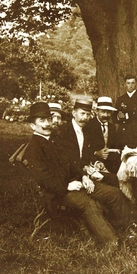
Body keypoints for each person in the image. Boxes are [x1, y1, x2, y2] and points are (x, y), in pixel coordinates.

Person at [24, 102, 125, 248]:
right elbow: (44, 179)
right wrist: (67, 186)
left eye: (48, 120)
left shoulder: (53, 140)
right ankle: (111, 242)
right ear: (32, 126)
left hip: (75, 182)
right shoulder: (34, 148)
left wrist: (83, 176)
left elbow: (70, 163)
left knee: (113, 193)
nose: (47, 124)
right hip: (57, 192)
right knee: (89, 204)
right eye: (42, 121)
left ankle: (124, 228)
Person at [55, 99, 118, 188]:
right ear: (74, 113)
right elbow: (70, 159)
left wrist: (96, 162)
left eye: (88, 115)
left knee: (113, 179)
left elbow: (87, 153)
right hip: (71, 175)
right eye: (82, 113)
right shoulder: (64, 131)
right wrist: (84, 173)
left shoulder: (87, 130)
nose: (85, 118)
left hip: (84, 169)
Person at [84, 96, 122, 175]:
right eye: (103, 112)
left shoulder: (112, 127)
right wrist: (96, 153)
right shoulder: (89, 126)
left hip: (111, 163)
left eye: (108, 112)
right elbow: (84, 148)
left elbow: (116, 145)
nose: (106, 115)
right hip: (93, 163)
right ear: (97, 111)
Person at [114, 74, 137, 148]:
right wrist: (118, 116)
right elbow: (114, 118)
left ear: (136, 84)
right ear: (125, 84)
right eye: (128, 83)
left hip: (136, 132)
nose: (130, 85)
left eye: (133, 83)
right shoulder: (120, 99)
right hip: (123, 133)